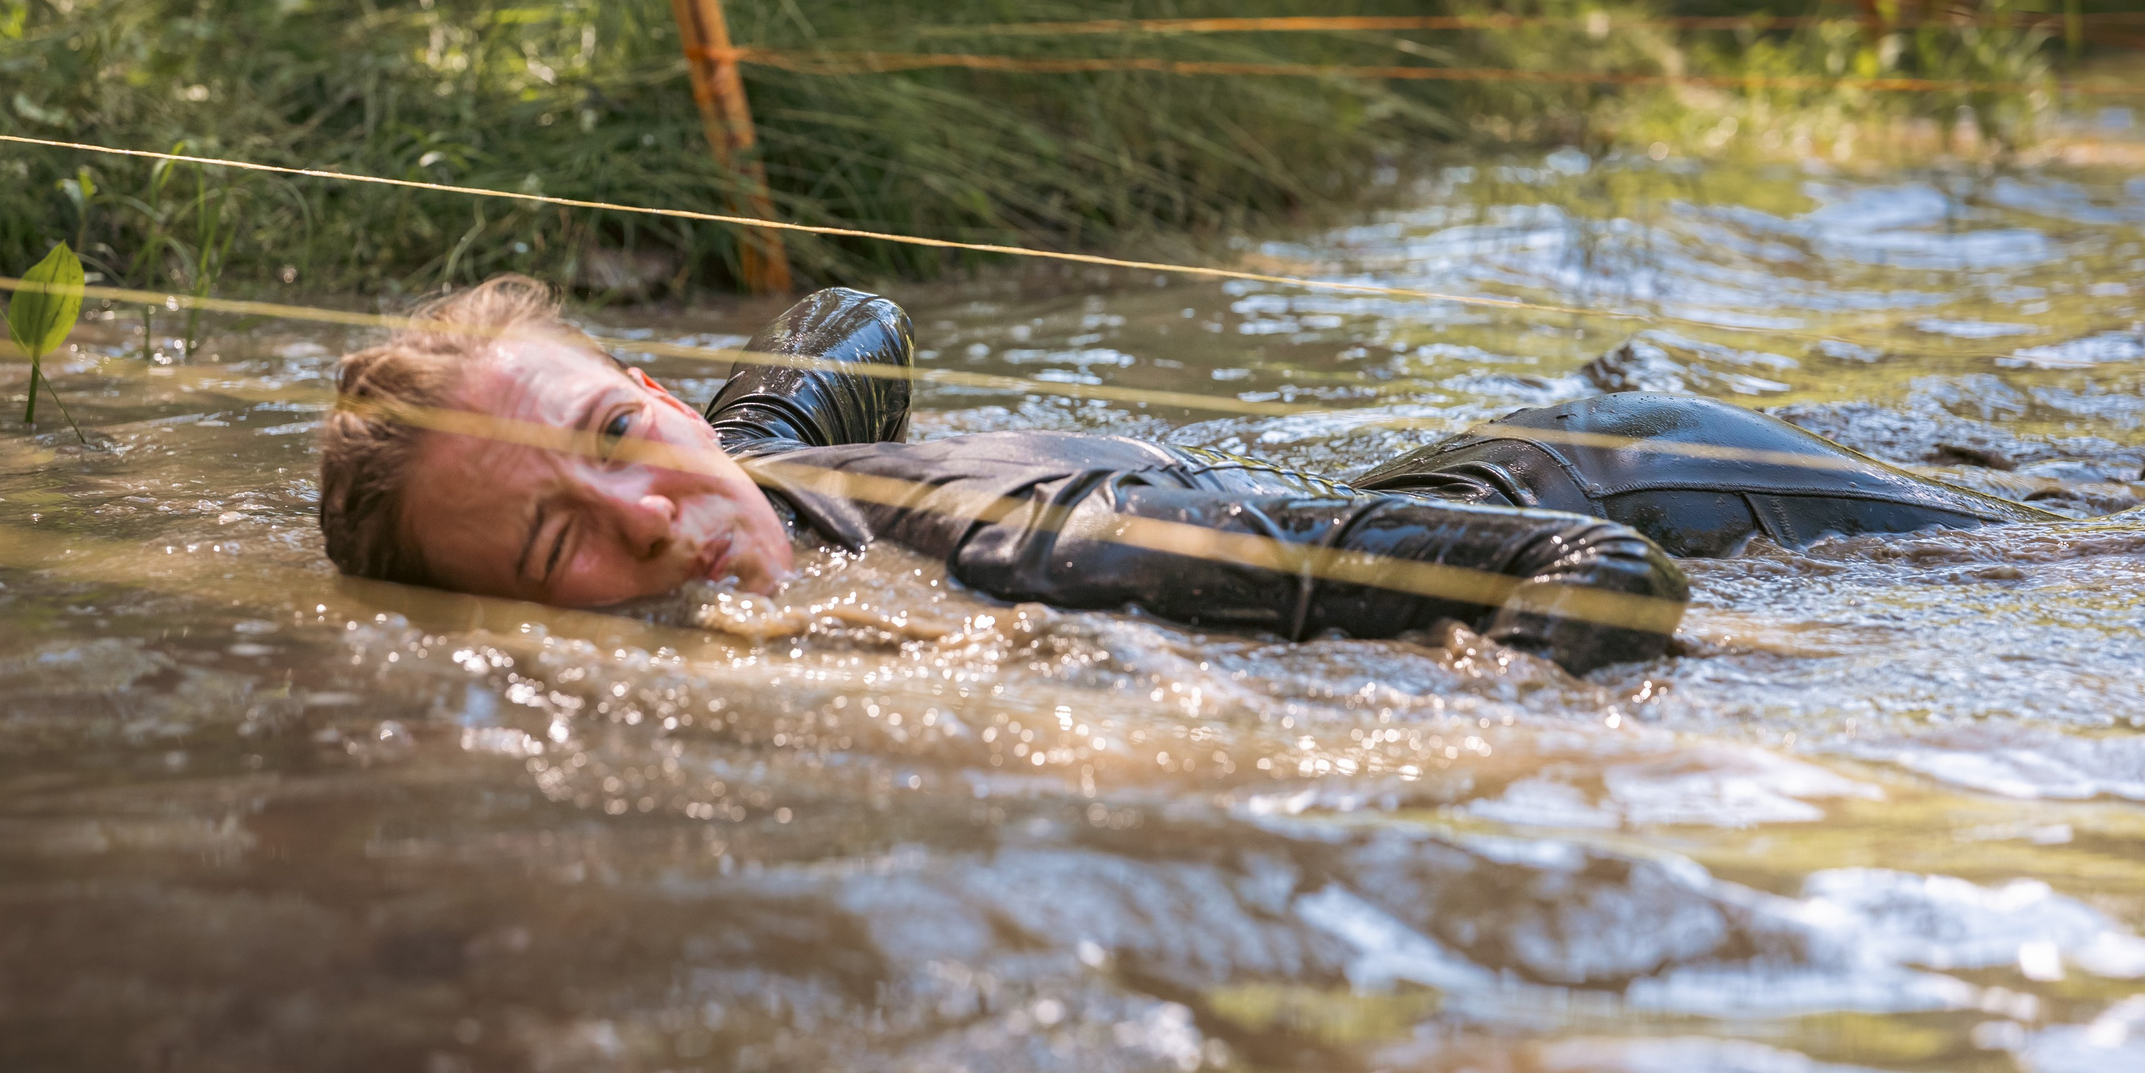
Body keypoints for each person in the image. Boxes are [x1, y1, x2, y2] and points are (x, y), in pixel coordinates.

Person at [317, 279, 2053, 675]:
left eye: (620, 442)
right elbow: (864, 322)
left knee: (2101, 546)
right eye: (560, 549)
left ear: (667, 396)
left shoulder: (1036, 553)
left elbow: (1590, 568)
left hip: (1662, 478)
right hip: (1466, 463)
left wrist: (1454, 759)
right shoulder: (757, 473)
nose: (648, 517)